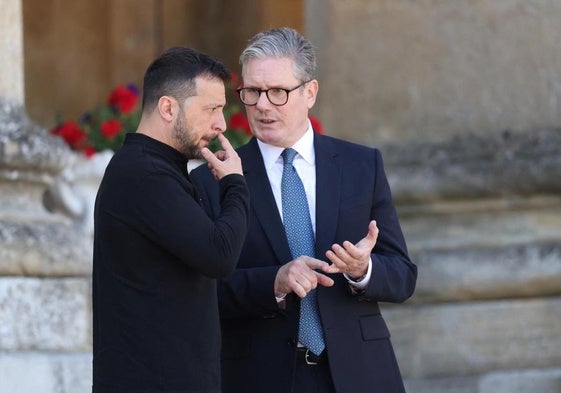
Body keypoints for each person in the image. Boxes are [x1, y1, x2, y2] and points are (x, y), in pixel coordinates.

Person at [191, 27, 417, 393]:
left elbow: (403, 276)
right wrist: (274, 282)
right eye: (252, 92)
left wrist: (363, 270)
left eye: (278, 92)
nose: (263, 105)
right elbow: (199, 292)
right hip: (258, 376)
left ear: (310, 92)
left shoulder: (361, 165)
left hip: (359, 374)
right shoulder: (213, 178)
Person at [92, 47, 250, 393]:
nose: (221, 125)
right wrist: (236, 184)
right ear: (168, 108)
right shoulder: (144, 175)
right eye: (211, 109)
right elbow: (219, 254)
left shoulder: (159, 170)